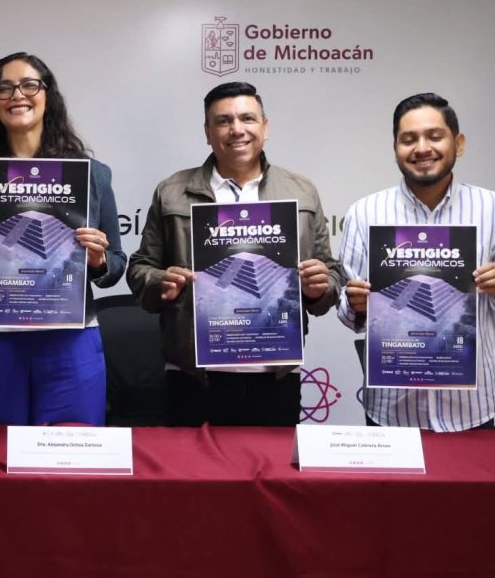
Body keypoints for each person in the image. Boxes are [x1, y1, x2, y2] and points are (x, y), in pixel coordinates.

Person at [127, 81, 339, 427]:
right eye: (223, 121)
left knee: (272, 464)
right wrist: (159, 282)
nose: (237, 129)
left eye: (247, 119)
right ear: (207, 133)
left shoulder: (301, 192)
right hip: (194, 378)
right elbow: (140, 268)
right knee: (192, 464)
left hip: (275, 376)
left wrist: (320, 287)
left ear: (265, 127)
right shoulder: (172, 191)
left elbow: (330, 273)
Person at [0, 51, 126, 426]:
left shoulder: (90, 175)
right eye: (4, 88)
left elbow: (116, 264)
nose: (17, 95)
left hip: (69, 342)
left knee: (70, 452)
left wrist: (98, 261)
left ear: (48, 94)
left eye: (29, 85)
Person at [338, 93, 495, 431]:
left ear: (458, 143)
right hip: (391, 409)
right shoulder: (364, 213)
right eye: (408, 139)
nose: (422, 148)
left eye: (434, 136)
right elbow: (347, 311)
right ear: (395, 148)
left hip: (470, 409)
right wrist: (355, 304)